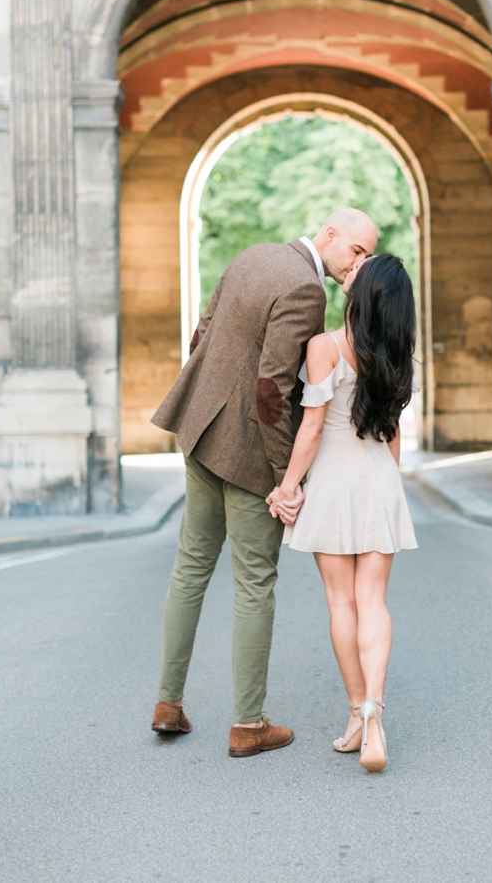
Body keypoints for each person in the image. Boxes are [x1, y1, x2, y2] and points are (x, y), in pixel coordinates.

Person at [149, 209, 378, 757]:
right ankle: (248, 725)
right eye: (357, 250)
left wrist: (205, 403)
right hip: (250, 455)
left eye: (366, 256)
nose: (359, 263)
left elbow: (201, 334)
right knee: (255, 583)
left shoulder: (253, 255)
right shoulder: (306, 288)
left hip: (201, 433)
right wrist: (285, 481)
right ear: (329, 235)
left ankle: (168, 703)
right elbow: (272, 389)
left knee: (190, 569)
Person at [267, 253, 418, 773]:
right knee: (373, 600)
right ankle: (375, 709)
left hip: (332, 482)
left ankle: (357, 712)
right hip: (378, 478)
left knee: (341, 602)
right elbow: (392, 434)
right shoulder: (398, 354)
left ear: (361, 294)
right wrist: (391, 486)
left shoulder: (324, 347)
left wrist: (287, 488)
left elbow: (310, 430)